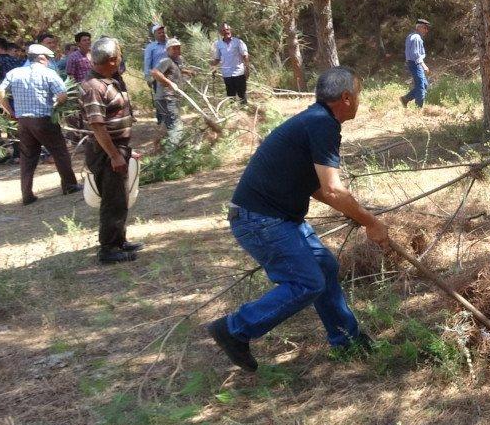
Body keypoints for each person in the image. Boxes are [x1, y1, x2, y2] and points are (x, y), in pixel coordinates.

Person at [206, 66, 390, 372]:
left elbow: (316, 187)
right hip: (261, 220)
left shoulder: (315, 120)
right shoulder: (322, 125)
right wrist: (370, 221)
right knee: (307, 282)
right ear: (345, 97)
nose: (358, 100)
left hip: (275, 218)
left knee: (325, 266)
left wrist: (353, 211)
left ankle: (346, 339)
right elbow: (332, 189)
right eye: (357, 94)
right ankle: (235, 329)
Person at [80, 37, 143, 265]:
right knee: (112, 200)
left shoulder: (110, 80)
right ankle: (108, 249)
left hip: (118, 149)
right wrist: (115, 155)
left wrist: (126, 151)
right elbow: (98, 126)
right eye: (119, 55)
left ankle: (119, 241)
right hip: (105, 152)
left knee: (120, 197)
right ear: (113, 60)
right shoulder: (93, 87)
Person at [0, 44, 81, 205]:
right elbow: (63, 95)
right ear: (41, 58)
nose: (49, 61)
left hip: (23, 122)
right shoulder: (48, 73)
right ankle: (70, 185)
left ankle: (27, 194)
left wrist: (9, 111)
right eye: (48, 58)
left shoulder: (14, 73)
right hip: (44, 119)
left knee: (27, 158)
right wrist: (55, 105)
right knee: (60, 152)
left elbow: (0, 92)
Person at [149, 37, 196, 151]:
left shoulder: (175, 62)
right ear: (168, 50)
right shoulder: (166, 61)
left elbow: (176, 70)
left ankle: (157, 148)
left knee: (167, 123)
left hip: (170, 98)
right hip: (167, 98)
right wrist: (169, 83)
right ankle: (173, 151)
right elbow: (155, 72)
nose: (177, 51)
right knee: (175, 124)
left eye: (178, 48)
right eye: (174, 49)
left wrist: (188, 72)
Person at [211, 23, 249, 105]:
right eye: (223, 30)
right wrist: (212, 66)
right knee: (231, 96)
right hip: (227, 74)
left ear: (230, 30)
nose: (226, 32)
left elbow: (245, 55)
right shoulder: (219, 44)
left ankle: (244, 111)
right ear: (221, 33)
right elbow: (217, 59)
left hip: (239, 72)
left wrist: (247, 69)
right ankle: (233, 114)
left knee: (242, 94)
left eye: (227, 30)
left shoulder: (238, 42)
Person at [399, 19, 431, 108]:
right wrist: (424, 65)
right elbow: (416, 54)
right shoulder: (416, 38)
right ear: (419, 27)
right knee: (421, 86)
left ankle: (405, 99)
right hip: (415, 64)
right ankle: (418, 108)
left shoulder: (411, 36)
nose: (426, 30)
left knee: (424, 84)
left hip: (412, 63)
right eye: (425, 28)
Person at [142, 23, 167, 120]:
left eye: (162, 32)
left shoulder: (169, 44)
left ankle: (171, 118)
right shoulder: (150, 47)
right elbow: (147, 63)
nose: (162, 34)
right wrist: (148, 78)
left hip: (171, 75)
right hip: (157, 77)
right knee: (160, 98)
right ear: (155, 34)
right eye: (159, 32)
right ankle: (161, 119)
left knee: (171, 97)